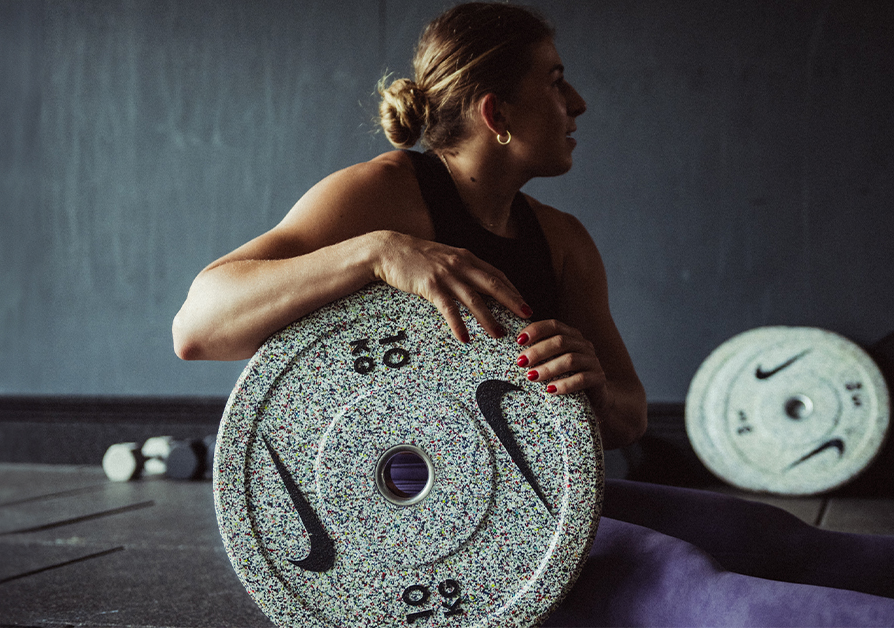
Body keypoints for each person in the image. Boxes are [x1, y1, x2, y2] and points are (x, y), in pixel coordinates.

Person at [173, 3, 894, 625]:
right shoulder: (384, 196)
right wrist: (375, 254)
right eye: (554, 82)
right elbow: (197, 328)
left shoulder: (563, 241)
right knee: (677, 576)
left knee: (772, 537)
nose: (576, 102)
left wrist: (591, 386)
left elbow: (630, 416)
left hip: (538, 490)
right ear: (497, 112)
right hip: (409, 536)